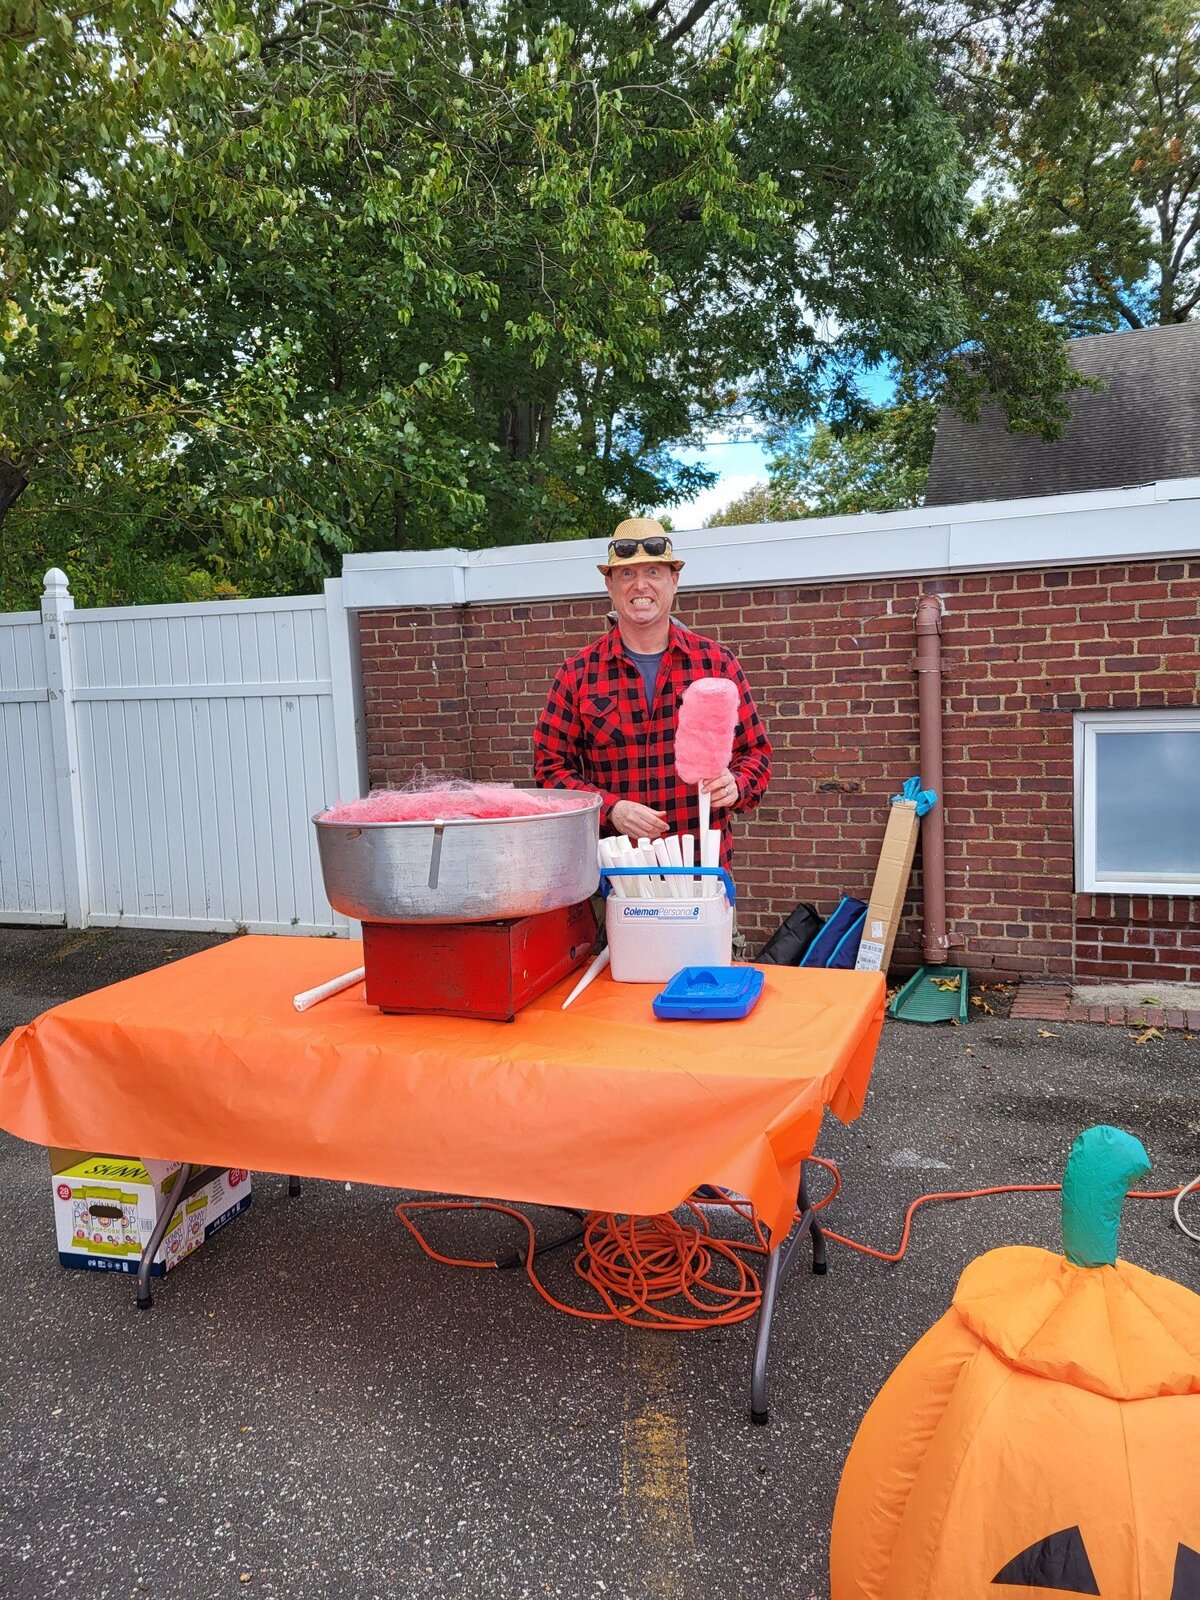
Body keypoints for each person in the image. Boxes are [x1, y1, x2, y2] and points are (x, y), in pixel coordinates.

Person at [533, 518, 771, 870]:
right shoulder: (578, 673)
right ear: (609, 585)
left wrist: (737, 784)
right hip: (617, 874)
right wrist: (610, 808)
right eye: (627, 574)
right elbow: (549, 768)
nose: (640, 585)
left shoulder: (717, 664)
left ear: (674, 581)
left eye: (654, 572)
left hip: (701, 869)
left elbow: (756, 753)